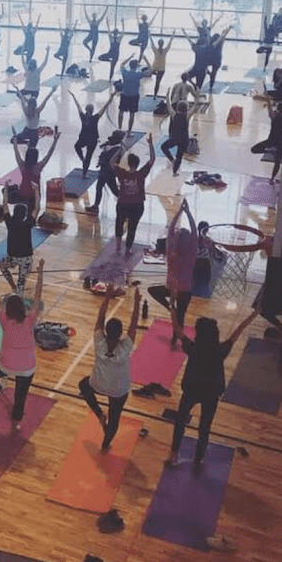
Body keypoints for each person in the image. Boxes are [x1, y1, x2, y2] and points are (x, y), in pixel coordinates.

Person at [167, 308, 258, 468]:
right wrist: (254, 314)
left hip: (192, 390)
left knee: (180, 422)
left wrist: (173, 310)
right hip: (211, 393)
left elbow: (178, 330)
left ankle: (174, 455)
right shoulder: (220, 350)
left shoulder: (193, 348)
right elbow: (239, 331)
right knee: (204, 428)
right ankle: (199, 459)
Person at [0, 258, 44, 430]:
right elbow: (38, 295)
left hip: (6, 364)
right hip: (27, 367)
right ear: (22, 308)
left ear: (8, 309)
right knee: (20, 398)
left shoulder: (4, 320)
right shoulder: (30, 320)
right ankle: (16, 423)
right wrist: (40, 272)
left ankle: (5, 402)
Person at [78, 283, 141, 451]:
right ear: (120, 334)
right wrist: (137, 302)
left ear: (106, 331)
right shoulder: (125, 347)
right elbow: (134, 324)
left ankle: (99, 414)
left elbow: (100, 317)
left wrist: (107, 296)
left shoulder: (99, 341)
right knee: (115, 416)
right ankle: (105, 445)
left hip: (97, 385)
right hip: (118, 391)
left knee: (83, 385)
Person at [148, 199, 198, 346]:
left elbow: (171, 229)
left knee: (154, 292)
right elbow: (194, 231)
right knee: (180, 315)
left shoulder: (171, 250)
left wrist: (180, 212)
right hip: (183, 290)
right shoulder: (190, 251)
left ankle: (171, 310)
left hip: (173, 289)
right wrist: (187, 213)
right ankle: (175, 331)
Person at [111, 134, 155, 256]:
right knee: (132, 226)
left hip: (123, 203)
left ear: (128, 163)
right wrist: (151, 145)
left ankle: (118, 246)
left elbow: (111, 162)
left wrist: (120, 150)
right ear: (137, 164)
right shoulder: (141, 174)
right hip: (137, 205)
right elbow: (152, 160)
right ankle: (128, 249)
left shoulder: (122, 173)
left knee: (119, 223)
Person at [10, 127, 60, 209]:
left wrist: (15, 142)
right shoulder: (38, 167)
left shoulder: (23, 166)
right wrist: (55, 140)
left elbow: (17, 154)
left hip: (22, 193)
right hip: (34, 195)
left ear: (27, 157)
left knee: (10, 190)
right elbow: (49, 154)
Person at [0, 184, 35, 295]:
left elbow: (4, 205)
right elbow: (37, 208)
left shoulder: (9, 222)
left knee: (2, 266)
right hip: (25, 259)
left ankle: (13, 287)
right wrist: (36, 191)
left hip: (12, 258)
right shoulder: (28, 223)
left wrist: (6, 189)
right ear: (24, 215)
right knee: (21, 285)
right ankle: (17, 290)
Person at [69, 90, 114, 176]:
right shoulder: (95, 117)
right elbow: (104, 107)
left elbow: (78, 106)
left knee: (77, 147)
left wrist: (74, 96)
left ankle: (83, 160)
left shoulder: (83, 116)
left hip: (84, 138)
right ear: (92, 111)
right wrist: (111, 97)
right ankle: (84, 171)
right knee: (88, 157)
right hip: (92, 139)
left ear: (86, 109)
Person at [85, 130, 124, 215]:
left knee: (107, 188)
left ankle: (125, 204)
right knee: (109, 189)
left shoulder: (118, 149)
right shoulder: (110, 145)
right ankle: (96, 206)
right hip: (104, 170)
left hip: (108, 171)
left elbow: (110, 159)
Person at [162, 93, 199, 176]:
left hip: (175, 138)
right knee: (179, 156)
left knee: (163, 147)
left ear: (178, 108)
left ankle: (172, 160)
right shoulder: (187, 116)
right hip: (184, 140)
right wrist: (197, 97)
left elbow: (169, 106)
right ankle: (174, 172)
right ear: (186, 108)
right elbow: (195, 107)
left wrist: (167, 96)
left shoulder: (174, 114)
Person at [251, 96, 282, 182]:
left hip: (279, 144)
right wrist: (268, 102)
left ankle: (272, 178)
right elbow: (270, 110)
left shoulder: (275, 116)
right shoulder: (275, 117)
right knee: (254, 149)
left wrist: (268, 102)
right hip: (271, 141)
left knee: (277, 162)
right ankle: (271, 151)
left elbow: (271, 111)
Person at [117, 58, 148, 133]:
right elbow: (151, 70)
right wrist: (146, 60)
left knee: (121, 111)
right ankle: (129, 131)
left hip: (125, 95)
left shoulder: (125, 73)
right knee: (132, 114)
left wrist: (129, 57)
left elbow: (122, 64)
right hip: (134, 96)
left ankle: (119, 128)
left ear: (130, 65)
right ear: (136, 66)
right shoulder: (138, 75)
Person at [207, 26, 231, 92]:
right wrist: (228, 29)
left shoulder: (211, 43)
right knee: (214, 73)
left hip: (211, 59)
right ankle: (211, 84)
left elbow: (224, 35)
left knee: (204, 67)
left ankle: (210, 76)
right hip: (217, 60)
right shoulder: (220, 44)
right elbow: (224, 35)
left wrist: (227, 30)